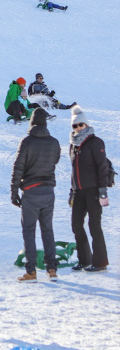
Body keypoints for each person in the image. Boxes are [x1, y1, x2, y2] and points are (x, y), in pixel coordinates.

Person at [11, 107, 61, 282]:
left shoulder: (27, 142)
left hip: (31, 192)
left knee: (29, 231)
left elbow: (18, 168)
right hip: (48, 192)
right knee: (47, 230)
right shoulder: (54, 143)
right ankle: (52, 269)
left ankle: (31, 271)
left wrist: (14, 191)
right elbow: (55, 161)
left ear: (32, 122)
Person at [68, 106, 110, 272]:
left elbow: (102, 167)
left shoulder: (95, 142)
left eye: (81, 125)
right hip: (78, 191)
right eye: (75, 126)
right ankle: (85, 259)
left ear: (86, 124)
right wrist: (72, 191)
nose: (78, 128)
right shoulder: (73, 145)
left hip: (93, 190)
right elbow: (73, 170)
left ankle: (100, 263)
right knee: (76, 225)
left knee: (94, 225)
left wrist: (102, 190)